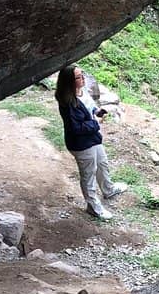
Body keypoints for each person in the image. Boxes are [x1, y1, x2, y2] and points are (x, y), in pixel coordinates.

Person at [54, 66, 126, 220]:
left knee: (102, 163)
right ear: (69, 82)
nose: (83, 79)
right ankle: (93, 207)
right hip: (81, 143)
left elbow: (90, 106)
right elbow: (76, 128)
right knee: (88, 174)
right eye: (79, 77)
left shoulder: (81, 90)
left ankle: (109, 189)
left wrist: (97, 111)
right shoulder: (68, 103)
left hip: (92, 137)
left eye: (82, 75)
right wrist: (96, 122)